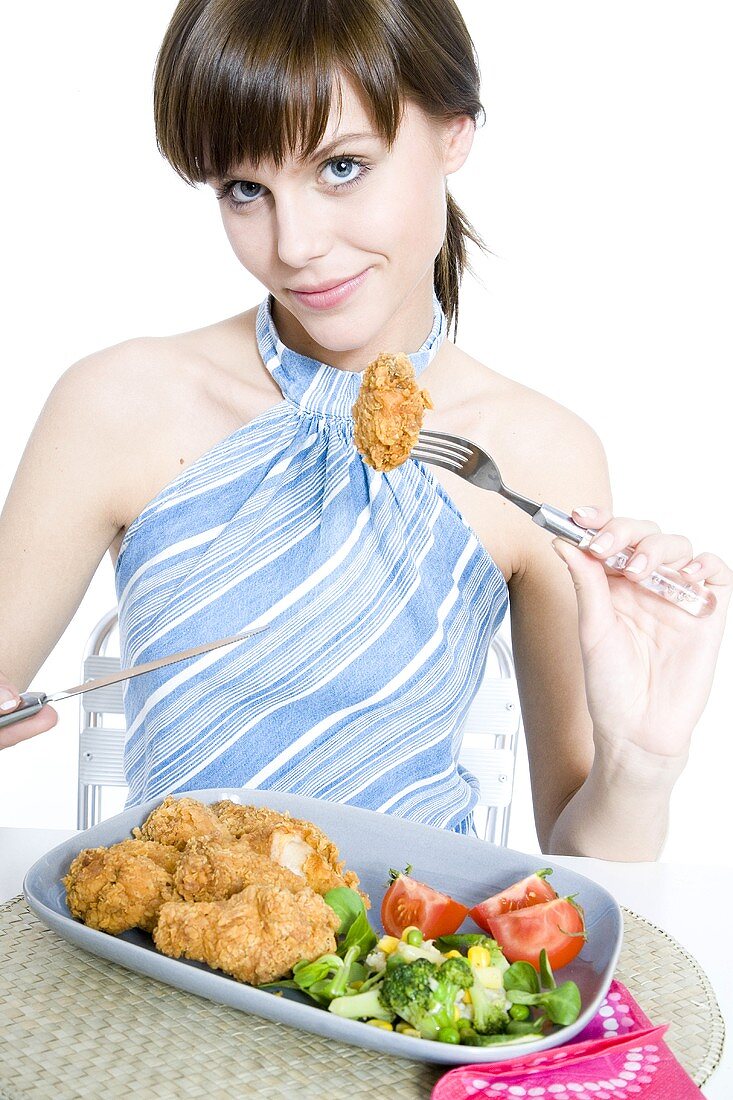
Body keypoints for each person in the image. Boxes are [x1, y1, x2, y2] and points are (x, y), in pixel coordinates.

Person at [0, 0, 729, 860]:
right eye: (245, 189)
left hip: (411, 967)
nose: (295, 245)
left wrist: (640, 765)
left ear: (454, 131)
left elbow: (579, 873)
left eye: (342, 167)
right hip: (160, 965)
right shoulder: (116, 403)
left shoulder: (537, 453)